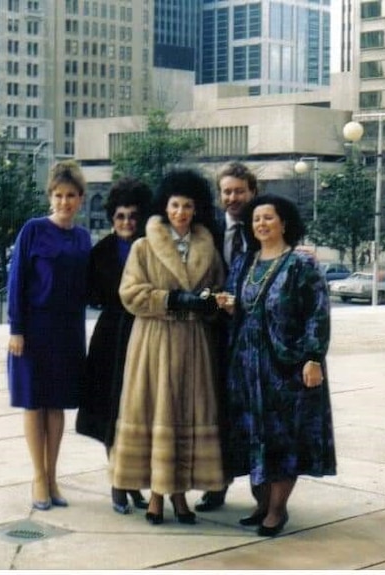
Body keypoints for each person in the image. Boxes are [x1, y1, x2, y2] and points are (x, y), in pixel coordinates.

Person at [110, 168, 226, 525]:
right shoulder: (144, 247)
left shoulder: (207, 247)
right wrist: (173, 299)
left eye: (188, 206)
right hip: (154, 343)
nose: (181, 212)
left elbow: (218, 289)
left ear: (196, 209)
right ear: (165, 206)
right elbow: (130, 294)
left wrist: (208, 304)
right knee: (157, 413)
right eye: (175, 205)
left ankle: (180, 494)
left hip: (194, 343)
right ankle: (157, 496)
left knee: (185, 416)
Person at [216, 193, 335, 537]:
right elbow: (244, 307)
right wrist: (229, 305)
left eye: (268, 218)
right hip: (245, 366)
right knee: (253, 435)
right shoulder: (245, 262)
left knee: (283, 437)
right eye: (256, 219)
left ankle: (277, 510)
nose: (261, 224)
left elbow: (318, 312)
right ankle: (261, 502)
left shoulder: (301, 263)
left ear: (284, 222)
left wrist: (314, 357)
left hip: (286, 366)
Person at [7, 160, 92, 511]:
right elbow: (16, 282)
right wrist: (16, 328)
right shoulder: (33, 230)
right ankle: (38, 478)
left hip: (67, 331)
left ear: (81, 199)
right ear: (50, 197)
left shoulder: (83, 237)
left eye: (71, 196)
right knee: (33, 403)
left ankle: (54, 475)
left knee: (56, 405)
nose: (64, 202)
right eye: (58, 195)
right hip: (33, 329)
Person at [76, 177, 152, 515]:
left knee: (138, 411)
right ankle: (118, 483)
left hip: (144, 332)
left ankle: (133, 481)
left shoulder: (152, 248)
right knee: (110, 411)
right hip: (110, 336)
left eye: (132, 216)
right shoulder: (102, 251)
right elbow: (89, 292)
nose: (126, 223)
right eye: (120, 216)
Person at [197, 161, 259, 513]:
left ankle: (261, 492)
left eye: (239, 191)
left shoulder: (264, 225)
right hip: (216, 335)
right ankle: (217, 484)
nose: (233, 197)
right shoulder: (211, 229)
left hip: (252, 335)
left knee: (253, 413)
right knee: (217, 411)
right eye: (227, 191)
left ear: (252, 192)